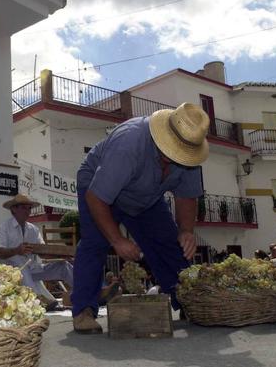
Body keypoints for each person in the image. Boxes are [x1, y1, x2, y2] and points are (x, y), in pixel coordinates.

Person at [71, 102, 209, 334]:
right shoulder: (129, 143)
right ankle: (83, 310)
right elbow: (96, 198)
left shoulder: (190, 156)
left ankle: (187, 301)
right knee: (95, 242)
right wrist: (117, 240)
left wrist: (186, 230)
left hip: (145, 196)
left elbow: (186, 197)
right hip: (99, 188)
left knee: (169, 242)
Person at [0, 194, 74, 310]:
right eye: (24, 208)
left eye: (29, 208)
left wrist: (61, 255)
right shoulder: (3, 228)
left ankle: (87, 291)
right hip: (11, 273)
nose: (28, 211)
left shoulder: (33, 229)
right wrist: (17, 250)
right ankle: (38, 299)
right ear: (14, 209)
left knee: (63, 266)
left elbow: (42, 252)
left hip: (32, 269)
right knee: (21, 265)